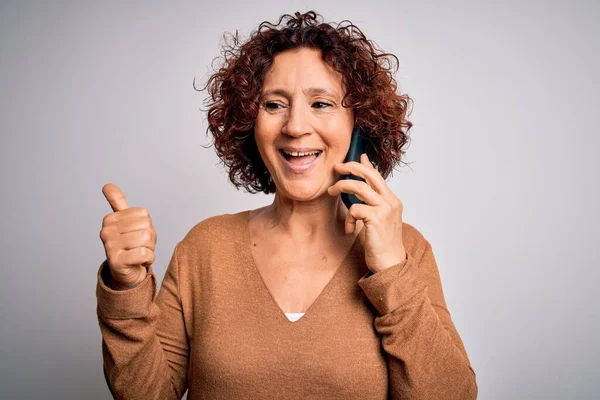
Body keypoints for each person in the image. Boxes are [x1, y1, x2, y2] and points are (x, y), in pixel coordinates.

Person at [97, 11, 477, 399]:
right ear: (250, 122)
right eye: (274, 104)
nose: (295, 126)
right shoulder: (205, 248)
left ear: (359, 126)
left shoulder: (405, 249)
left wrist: (393, 273)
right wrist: (127, 289)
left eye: (322, 104)